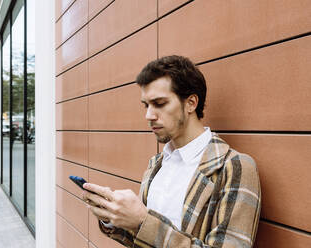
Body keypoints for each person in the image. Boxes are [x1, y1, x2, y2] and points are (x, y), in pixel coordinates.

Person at [83, 55, 261, 247]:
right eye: (146, 105)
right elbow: (144, 240)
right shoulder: (157, 164)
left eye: (159, 103)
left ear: (191, 103)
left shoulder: (234, 167)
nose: (148, 115)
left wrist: (143, 221)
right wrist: (112, 215)